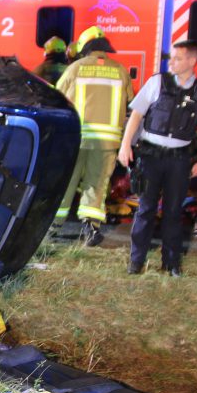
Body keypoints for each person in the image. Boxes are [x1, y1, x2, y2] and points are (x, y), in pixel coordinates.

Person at [118, 40, 197, 276]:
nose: (171, 62)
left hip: (179, 159)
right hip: (150, 155)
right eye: (171, 58)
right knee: (145, 209)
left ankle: (171, 263)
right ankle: (136, 261)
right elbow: (137, 115)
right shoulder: (157, 82)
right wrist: (125, 145)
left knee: (173, 211)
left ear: (192, 61)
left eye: (177, 58)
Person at [54, 26, 135, 245]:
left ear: (84, 47)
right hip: (107, 141)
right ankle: (91, 227)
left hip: (76, 138)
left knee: (66, 182)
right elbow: (130, 102)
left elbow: (57, 98)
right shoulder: (120, 70)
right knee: (97, 183)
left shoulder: (75, 69)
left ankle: (52, 227)